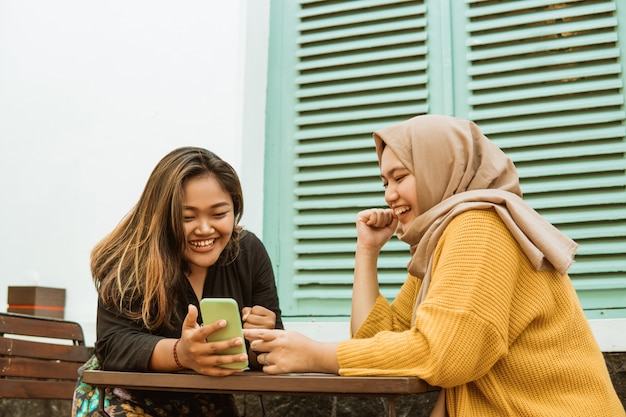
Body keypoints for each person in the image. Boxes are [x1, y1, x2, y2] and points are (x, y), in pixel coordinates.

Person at [244, 115, 625, 416]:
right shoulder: (446, 239)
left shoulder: (480, 227)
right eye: (384, 182)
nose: (389, 194)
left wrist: (317, 355)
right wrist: (367, 252)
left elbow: (443, 353)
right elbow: (371, 341)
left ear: (438, 168)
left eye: (400, 177)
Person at [72, 146, 283, 417]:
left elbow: (274, 345)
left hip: (204, 399)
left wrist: (262, 341)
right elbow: (114, 345)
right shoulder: (131, 259)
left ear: (235, 209)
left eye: (219, 214)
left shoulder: (248, 252)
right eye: (187, 217)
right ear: (161, 217)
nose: (205, 229)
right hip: (123, 396)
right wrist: (181, 353)